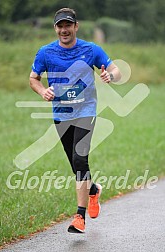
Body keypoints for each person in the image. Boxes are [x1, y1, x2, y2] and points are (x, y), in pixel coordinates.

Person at [29, 7, 121, 233]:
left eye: (68, 25)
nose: (64, 30)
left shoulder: (91, 50)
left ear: (76, 26)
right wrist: (42, 92)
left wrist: (110, 76)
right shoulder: (45, 52)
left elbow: (116, 69)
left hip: (85, 112)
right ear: (55, 28)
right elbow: (33, 79)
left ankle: (79, 217)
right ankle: (93, 190)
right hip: (60, 114)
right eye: (60, 26)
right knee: (75, 164)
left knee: (80, 160)